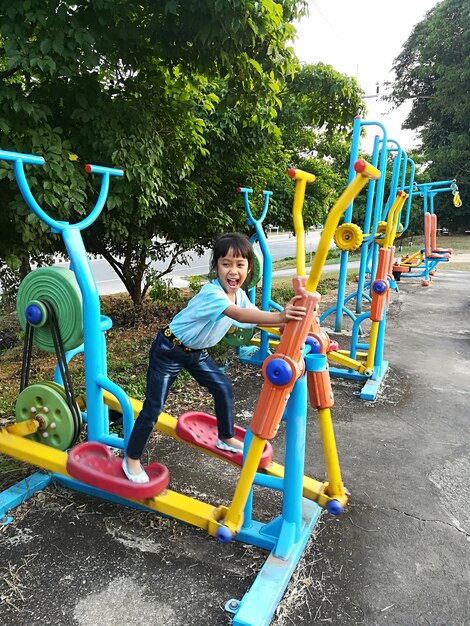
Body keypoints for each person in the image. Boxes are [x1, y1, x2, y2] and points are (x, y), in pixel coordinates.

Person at [122, 232, 307, 483]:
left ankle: (226, 436)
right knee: (153, 407)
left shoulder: (239, 295)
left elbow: (256, 316)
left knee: (222, 387)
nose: (233, 271)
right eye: (226, 264)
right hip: (169, 349)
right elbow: (240, 316)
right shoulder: (213, 293)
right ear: (216, 267)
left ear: (249, 268)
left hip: (196, 353)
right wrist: (281, 317)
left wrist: (286, 328)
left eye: (240, 265)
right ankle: (131, 459)